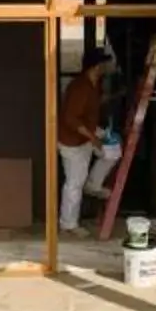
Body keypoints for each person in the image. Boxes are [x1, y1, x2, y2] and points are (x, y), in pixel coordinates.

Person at [56, 49, 109, 235]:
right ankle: (68, 224)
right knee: (74, 183)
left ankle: (93, 183)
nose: (107, 67)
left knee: (113, 150)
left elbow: (93, 106)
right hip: (72, 141)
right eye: (104, 64)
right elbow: (71, 118)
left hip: (87, 133)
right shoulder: (80, 87)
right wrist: (93, 138)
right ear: (96, 66)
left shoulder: (94, 84)